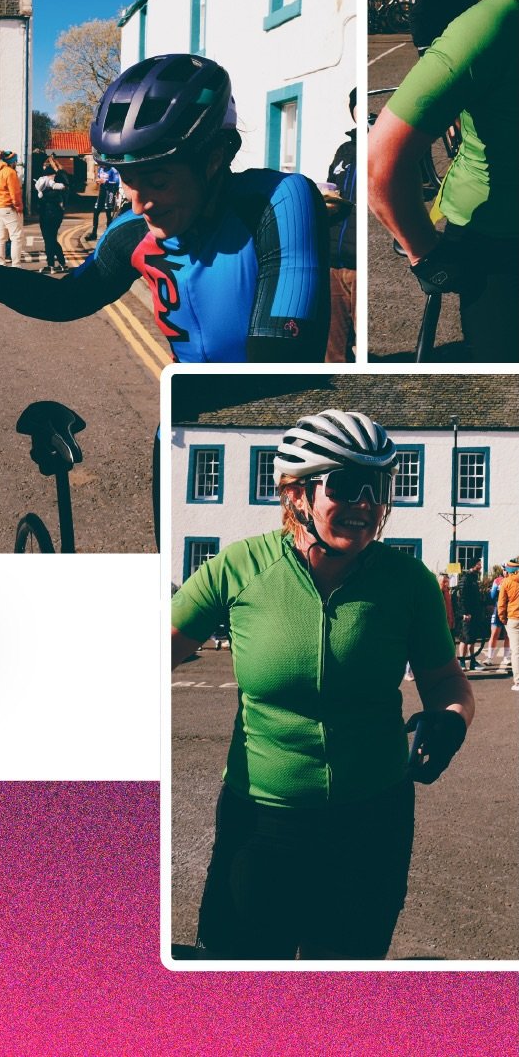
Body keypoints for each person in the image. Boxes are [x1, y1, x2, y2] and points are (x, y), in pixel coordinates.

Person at [0, 55, 331, 548]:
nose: (137, 200)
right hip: (180, 437)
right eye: (126, 178)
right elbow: (65, 300)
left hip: (281, 443)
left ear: (216, 157)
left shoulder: (277, 200)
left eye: (158, 179)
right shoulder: (132, 231)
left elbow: (281, 362)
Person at [171, 409, 474, 960]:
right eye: (345, 484)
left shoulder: (408, 583)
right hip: (263, 819)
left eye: (379, 486)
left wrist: (451, 718)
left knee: (342, 988)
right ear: (299, 494)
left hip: (372, 820)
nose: (365, 502)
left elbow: (445, 678)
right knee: (237, 985)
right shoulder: (240, 568)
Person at [368, 0, 519, 363]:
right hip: (501, 239)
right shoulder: (491, 21)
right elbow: (380, 162)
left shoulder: (482, 6)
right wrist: (424, 251)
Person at [321, 88, 357, 361]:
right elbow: (333, 188)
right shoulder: (344, 150)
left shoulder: (379, 142)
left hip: (358, 264)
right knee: (332, 347)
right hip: (333, 259)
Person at [34, 157, 70, 273]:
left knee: (49, 239)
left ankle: (50, 265)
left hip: (49, 214)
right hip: (55, 213)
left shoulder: (56, 182)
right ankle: (63, 264)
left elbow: (49, 196)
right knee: (52, 239)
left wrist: (41, 194)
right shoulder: (62, 178)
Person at [0, 150, 24, 266]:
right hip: (8, 208)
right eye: (15, 161)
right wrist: (19, 207)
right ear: (12, 161)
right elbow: (15, 193)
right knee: (16, 237)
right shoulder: (10, 172)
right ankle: (16, 265)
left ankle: (0, 263)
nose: (16, 163)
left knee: (0, 237)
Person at [455, 560, 488, 672]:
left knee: (472, 638)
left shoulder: (473, 578)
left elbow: (475, 597)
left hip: (474, 614)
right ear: (473, 565)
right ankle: (462, 662)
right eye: (479, 564)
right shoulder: (465, 579)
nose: (480, 566)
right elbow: (462, 598)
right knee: (464, 638)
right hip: (467, 615)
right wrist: (464, 613)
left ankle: (473, 661)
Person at [495, 558, 519, 690]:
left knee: (516, 652)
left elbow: (501, 604)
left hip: (513, 618)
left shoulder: (507, 582)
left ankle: (518, 682)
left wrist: (503, 619)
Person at [84, 162, 121, 241]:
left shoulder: (113, 169)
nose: (100, 166)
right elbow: (98, 177)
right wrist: (97, 181)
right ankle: (94, 233)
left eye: (101, 164)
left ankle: (109, 234)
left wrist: (106, 182)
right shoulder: (100, 169)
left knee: (108, 211)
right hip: (102, 190)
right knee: (96, 211)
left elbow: (117, 182)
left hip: (110, 191)